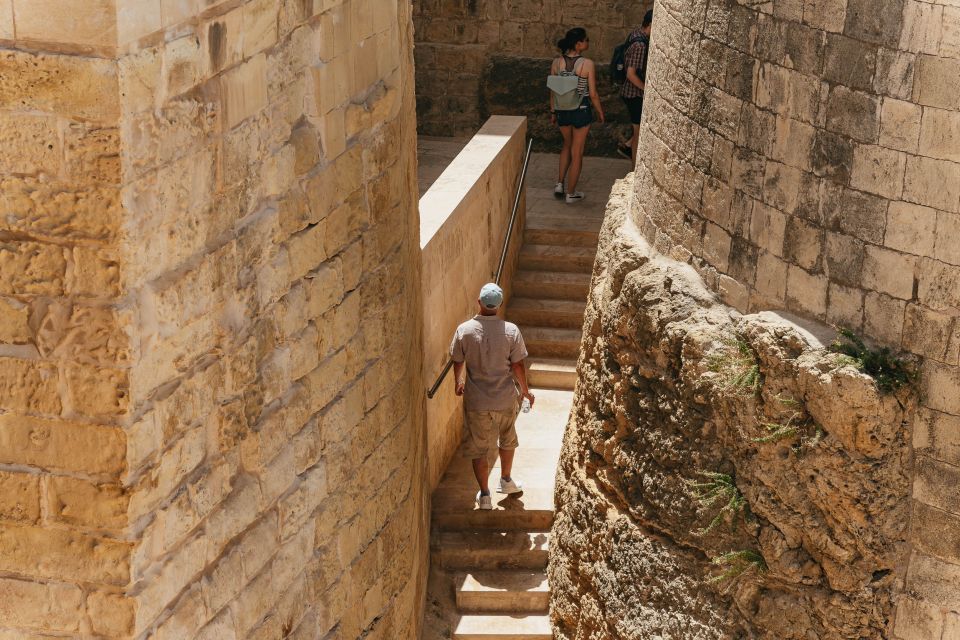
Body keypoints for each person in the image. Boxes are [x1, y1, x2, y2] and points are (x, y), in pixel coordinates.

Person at [450, 283, 536, 510]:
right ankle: (506, 480)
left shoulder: (464, 330)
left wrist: (458, 382)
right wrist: (525, 391)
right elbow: (517, 365)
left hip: (477, 400)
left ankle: (485, 495)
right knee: (507, 438)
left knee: (479, 447)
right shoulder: (511, 330)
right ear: (499, 306)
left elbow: (457, 359)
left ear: (479, 302)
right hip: (505, 397)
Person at [549, 27, 605, 204]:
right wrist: (600, 112)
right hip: (580, 110)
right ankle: (571, 193)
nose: (588, 42)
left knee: (567, 144)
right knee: (577, 151)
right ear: (578, 43)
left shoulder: (556, 63)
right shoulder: (587, 64)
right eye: (586, 40)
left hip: (561, 111)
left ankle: (559, 183)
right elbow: (593, 94)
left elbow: (552, 92)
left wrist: (552, 111)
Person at [618, 9, 653, 162]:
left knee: (639, 130)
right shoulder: (640, 44)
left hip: (630, 93)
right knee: (638, 133)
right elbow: (631, 74)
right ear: (651, 24)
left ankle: (627, 146)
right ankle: (633, 169)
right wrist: (647, 89)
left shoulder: (635, 34)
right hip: (634, 94)